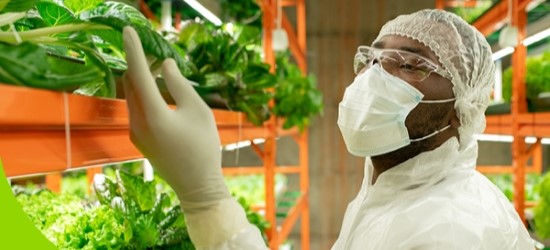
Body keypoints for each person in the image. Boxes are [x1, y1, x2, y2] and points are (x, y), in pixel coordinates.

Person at [122, 9, 534, 250]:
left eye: (408, 65)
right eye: (373, 60)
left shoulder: (449, 232)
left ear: (461, 109)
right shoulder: (393, 189)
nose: (375, 79)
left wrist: (208, 201)